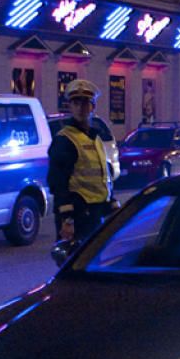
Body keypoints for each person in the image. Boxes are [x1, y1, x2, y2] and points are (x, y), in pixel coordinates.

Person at [47, 79, 116, 247]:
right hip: (78, 215)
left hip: (95, 213)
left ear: (93, 107)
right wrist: (67, 219)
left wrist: (112, 203)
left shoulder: (95, 138)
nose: (80, 108)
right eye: (75, 103)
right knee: (75, 266)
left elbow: (102, 175)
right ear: (70, 107)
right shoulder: (65, 139)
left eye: (85, 103)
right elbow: (58, 182)